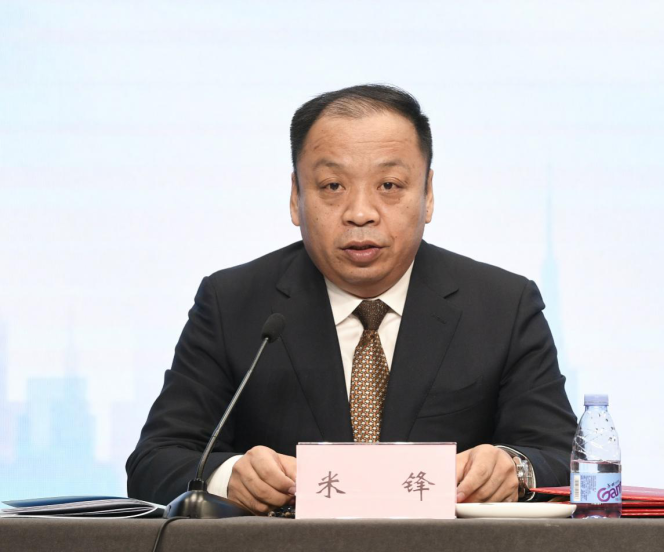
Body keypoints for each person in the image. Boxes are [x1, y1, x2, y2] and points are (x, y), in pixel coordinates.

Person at [126, 84, 577, 515]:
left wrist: (514, 469)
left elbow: (564, 457)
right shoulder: (233, 304)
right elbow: (155, 461)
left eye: (389, 185)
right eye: (332, 186)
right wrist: (229, 476)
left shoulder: (502, 306)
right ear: (295, 198)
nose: (360, 213)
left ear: (428, 194)